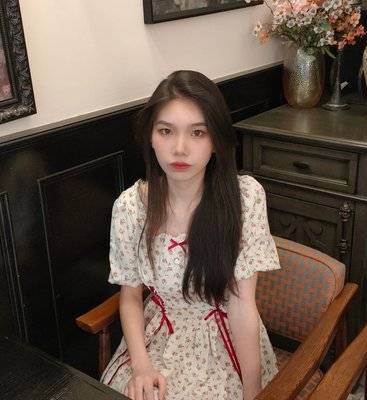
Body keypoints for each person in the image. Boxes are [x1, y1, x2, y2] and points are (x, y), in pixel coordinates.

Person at [101, 70, 281, 400]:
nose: (179, 148)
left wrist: (253, 390)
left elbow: (242, 305)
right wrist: (141, 366)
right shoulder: (130, 207)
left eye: (198, 132)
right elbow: (130, 296)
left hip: (225, 342)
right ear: (150, 137)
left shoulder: (244, 198)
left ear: (216, 141)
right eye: (166, 131)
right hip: (155, 339)